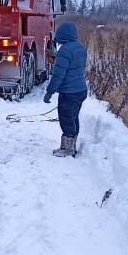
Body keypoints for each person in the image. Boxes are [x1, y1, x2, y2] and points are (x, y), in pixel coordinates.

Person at [42, 20, 88, 157]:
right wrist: (56, 58)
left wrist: (49, 92)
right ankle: (70, 145)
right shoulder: (80, 47)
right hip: (80, 90)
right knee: (73, 118)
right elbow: (71, 64)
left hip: (69, 92)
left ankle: (68, 149)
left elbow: (58, 75)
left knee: (66, 118)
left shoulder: (65, 50)